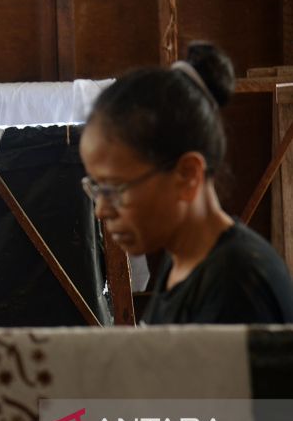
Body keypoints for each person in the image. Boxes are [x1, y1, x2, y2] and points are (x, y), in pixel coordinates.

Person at [79, 42, 293, 324]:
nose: (101, 210)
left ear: (188, 175)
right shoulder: (183, 259)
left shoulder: (236, 286)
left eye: (115, 188)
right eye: (96, 188)